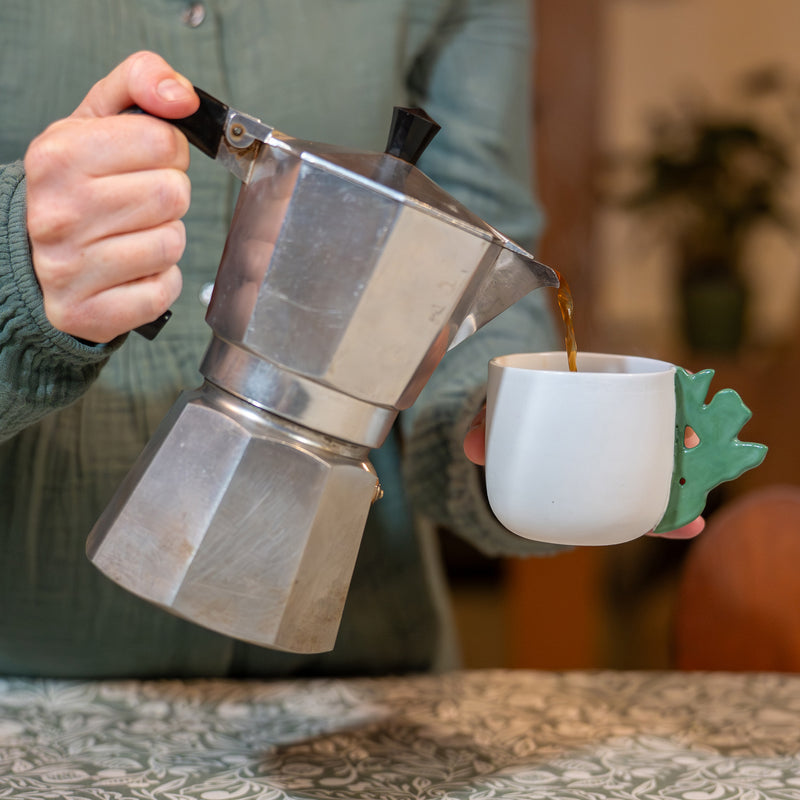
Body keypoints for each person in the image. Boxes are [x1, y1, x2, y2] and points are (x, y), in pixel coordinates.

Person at [0, 1, 699, 679]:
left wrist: (520, 435)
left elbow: (480, 245)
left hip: (365, 681)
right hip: (33, 675)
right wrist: (21, 267)